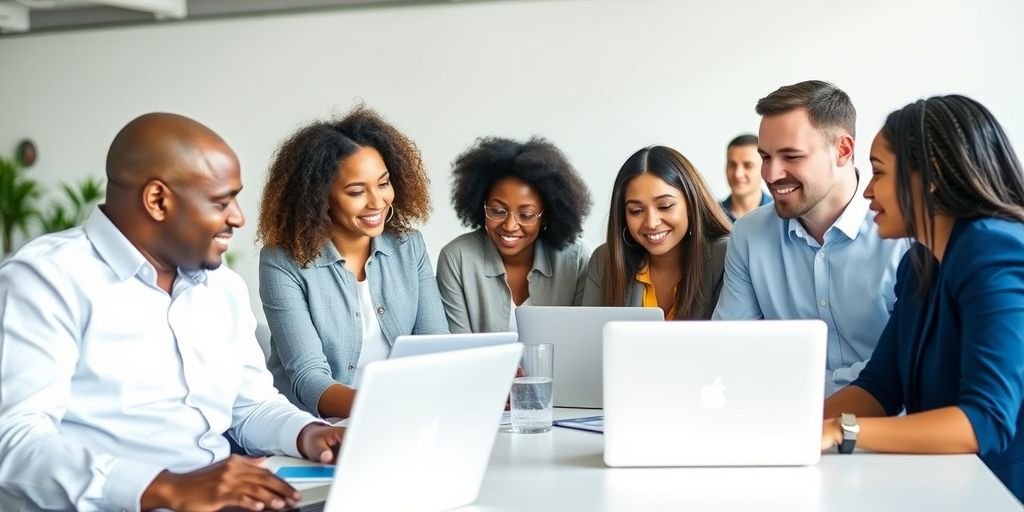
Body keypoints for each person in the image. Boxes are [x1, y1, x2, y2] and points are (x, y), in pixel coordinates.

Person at [0, 113, 343, 512]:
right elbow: (14, 439)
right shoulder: (46, 280)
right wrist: (163, 488)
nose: (238, 217)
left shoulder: (222, 287)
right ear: (158, 200)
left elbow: (249, 406)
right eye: (221, 201)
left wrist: (309, 433)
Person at [821, 95, 1024, 502]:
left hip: (1000, 492)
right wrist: (789, 422)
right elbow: (880, 388)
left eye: (878, 173)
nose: (868, 192)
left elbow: (983, 422)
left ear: (928, 178)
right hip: (945, 484)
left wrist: (839, 430)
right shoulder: (919, 262)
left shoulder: (994, 249)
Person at [713, 80, 908, 395]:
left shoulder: (903, 234)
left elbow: (906, 366)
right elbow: (729, 349)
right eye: (765, 156)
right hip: (782, 418)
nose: (771, 174)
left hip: (888, 425)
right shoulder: (749, 235)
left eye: (791, 156)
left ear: (842, 151)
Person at [258, 105, 448, 420]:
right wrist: (387, 407)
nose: (377, 201)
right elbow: (309, 379)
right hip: (315, 431)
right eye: (357, 191)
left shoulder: (408, 246)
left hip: (405, 419)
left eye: (384, 183)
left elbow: (436, 346)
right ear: (319, 198)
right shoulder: (281, 262)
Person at [436, 136, 592, 333]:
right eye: (497, 211)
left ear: (546, 215)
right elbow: (459, 349)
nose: (510, 226)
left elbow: (580, 340)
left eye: (526, 215)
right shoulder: (457, 259)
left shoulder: (576, 260)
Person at [582, 145, 731, 320]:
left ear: (691, 204)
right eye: (636, 210)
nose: (651, 223)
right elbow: (589, 339)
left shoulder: (725, 256)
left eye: (665, 206)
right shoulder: (605, 260)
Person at [719, 133, 772, 221]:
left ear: (765, 169)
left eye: (748, 166)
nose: (738, 174)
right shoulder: (711, 217)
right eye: (732, 165)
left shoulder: (781, 216)